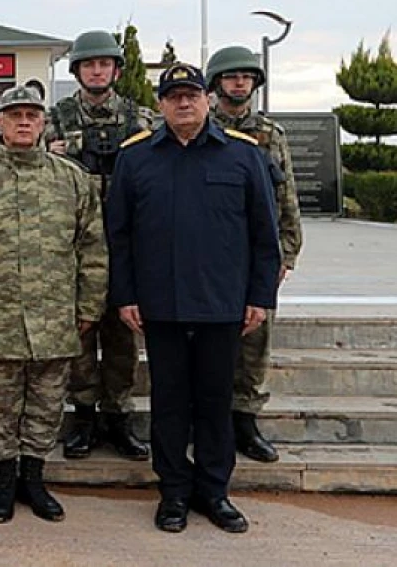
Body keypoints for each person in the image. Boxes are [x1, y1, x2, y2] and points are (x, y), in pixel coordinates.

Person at [107, 63, 280, 534]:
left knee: (214, 401)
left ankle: (214, 491)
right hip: (159, 304)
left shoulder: (244, 157)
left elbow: (266, 235)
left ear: (208, 99)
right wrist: (124, 296)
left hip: (222, 304)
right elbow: (118, 236)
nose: (184, 103)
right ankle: (174, 493)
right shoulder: (136, 159)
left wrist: (260, 297)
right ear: (160, 105)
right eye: (174, 96)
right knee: (168, 402)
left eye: (192, 95)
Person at [0, 83, 107, 523]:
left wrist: (89, 305)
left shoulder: (71, 178)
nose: (22, 122)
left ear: (43, 123)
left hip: (54, 317)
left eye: (31, 116)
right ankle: (3, 479)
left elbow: (91, 246)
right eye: (14, 115)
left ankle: (33, 478)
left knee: (46, 404)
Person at [45, 30, 154, 462]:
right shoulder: (54, 119)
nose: (96, 71)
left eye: (103, 65)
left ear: (116, 71)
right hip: (73, 245)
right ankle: (84, 416)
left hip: (129, 244)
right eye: (88, 65)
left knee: (125, 337)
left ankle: (118, 416)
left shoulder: (142, 119)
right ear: (77, 71)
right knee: (80, 334)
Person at [207, 45, 304, 464]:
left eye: (246, 77)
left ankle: (245, 420)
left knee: (255, 339)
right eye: (231, 77)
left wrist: (287, 251)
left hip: (256, 253)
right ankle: (207, 420)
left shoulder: (270, 134)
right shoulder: (200, 128)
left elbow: (286, 196)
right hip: (210, 253)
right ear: (216, 84)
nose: (239, 83)